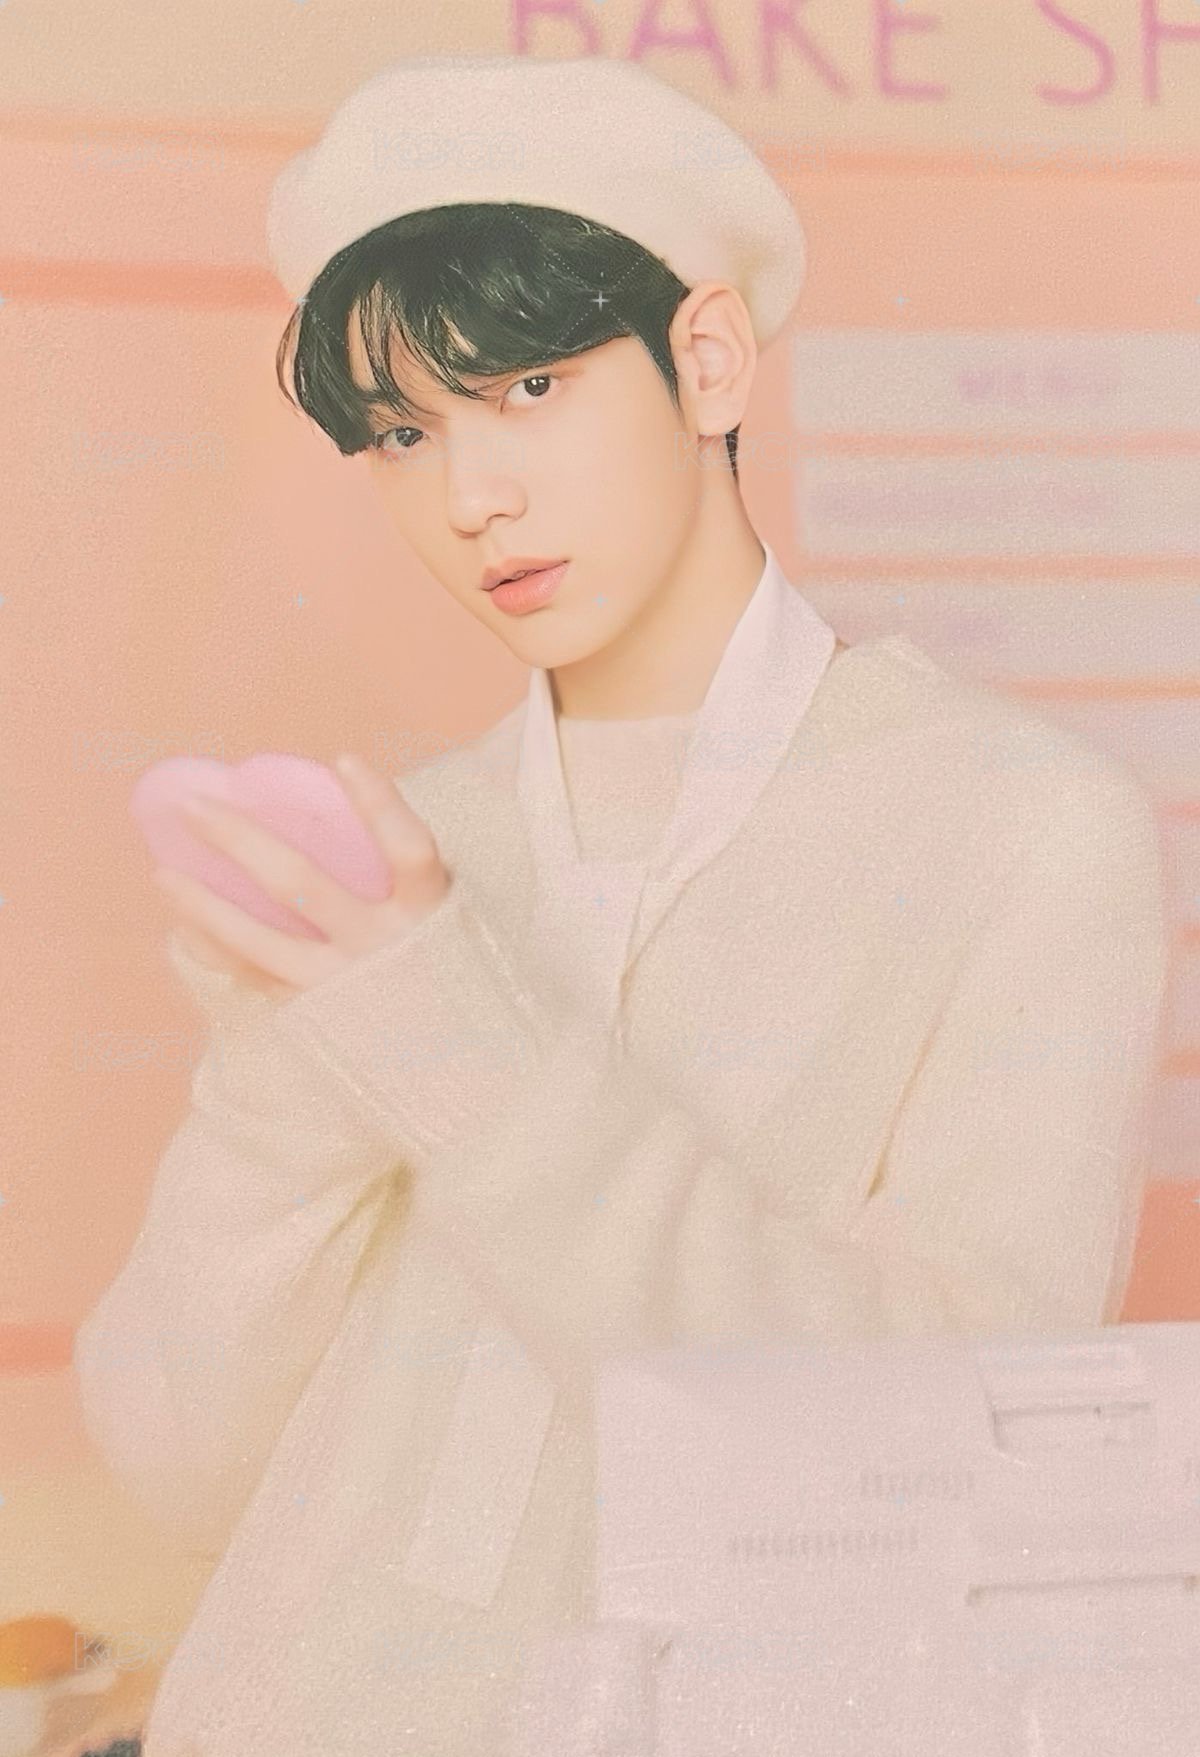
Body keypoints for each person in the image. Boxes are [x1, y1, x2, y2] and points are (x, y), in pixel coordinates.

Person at [73, 53, 1168, 1757]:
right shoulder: (414, 845)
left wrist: (452, 1031)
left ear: (707, 362)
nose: (468, 498)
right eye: (404, 434)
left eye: (528, 387)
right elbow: (185, 1472)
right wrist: (279, 1084)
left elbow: (932, 1464)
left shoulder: (1028, 831)